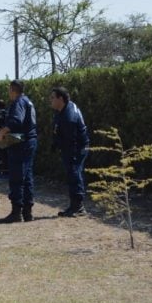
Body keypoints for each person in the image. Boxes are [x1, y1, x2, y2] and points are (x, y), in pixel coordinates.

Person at [0, 79, 37, 223]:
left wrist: (1, 133)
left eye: (9, 90)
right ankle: (27, 212)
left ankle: (16, 212)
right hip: (29, 142)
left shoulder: (18, 103)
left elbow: (15, 121)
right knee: (27, 177)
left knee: (17, 177)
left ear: (13, 90)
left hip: (20, 144)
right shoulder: (28, 101)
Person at [50, 86, 90, 217]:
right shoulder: (63, 109)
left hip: (77, 148)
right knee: (73, 173)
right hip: (71, 147)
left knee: (74, 173)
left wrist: (71, 156)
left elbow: (72, 140)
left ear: (60, 99)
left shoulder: (69, 116)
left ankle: (78, 207)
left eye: (53, 98)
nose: (50, 101)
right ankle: (74, 206)